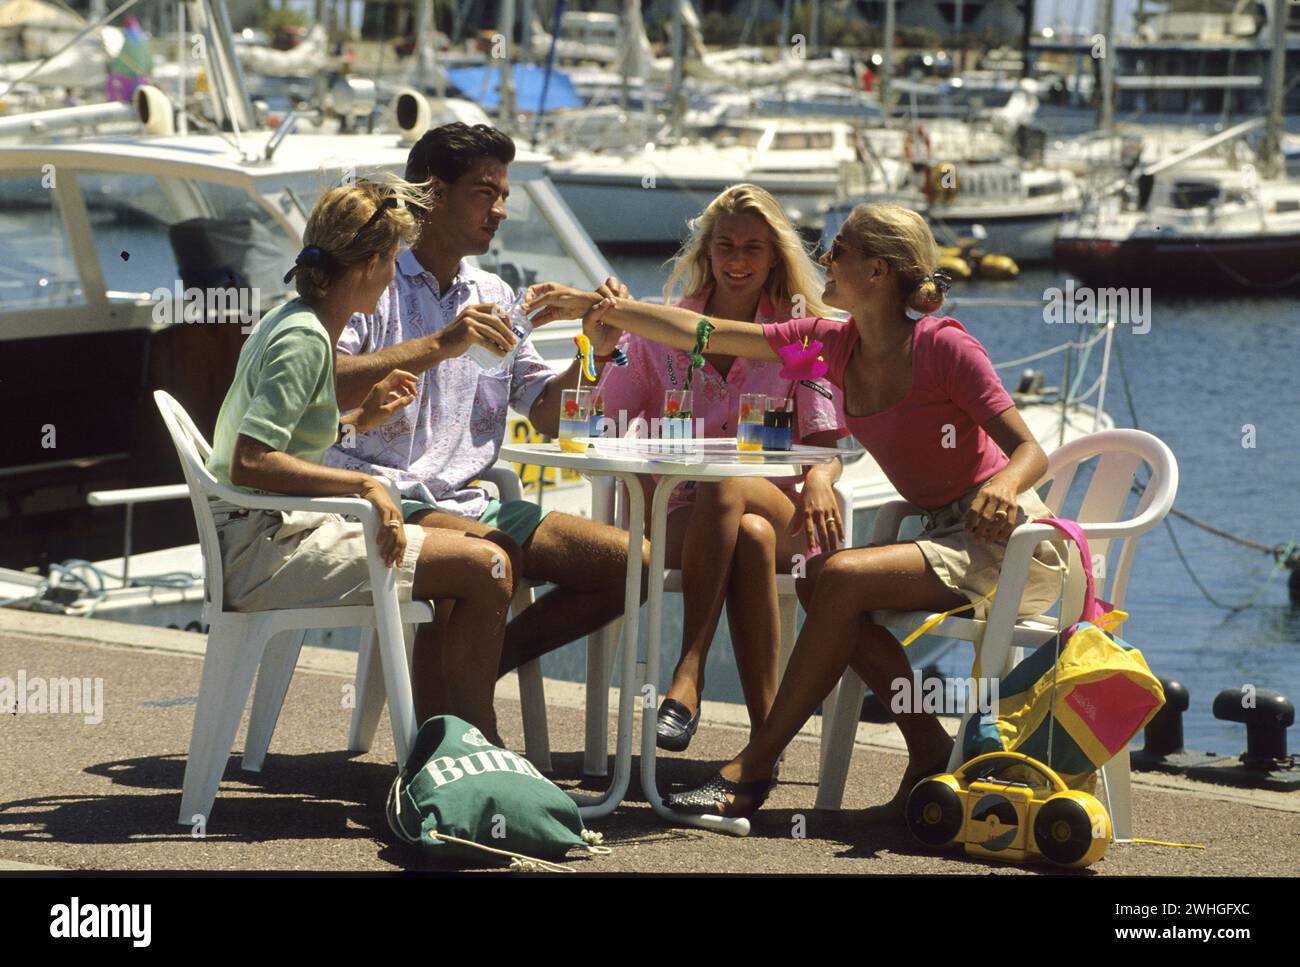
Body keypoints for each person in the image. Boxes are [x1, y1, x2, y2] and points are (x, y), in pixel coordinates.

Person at [527, 202, 1067, 820]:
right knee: (820, 582)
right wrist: (595, 310)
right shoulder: (830, 343)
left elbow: (1029, 450)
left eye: (839, 250)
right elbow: (709, 335)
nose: (824, 260)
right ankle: (927, 751)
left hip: (1008, 537)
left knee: (834, 576)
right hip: (939, 534)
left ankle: (753, 764)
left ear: (879, 272)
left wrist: (1002, 485)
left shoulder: (944, 347)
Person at [324, 123, 649, 681]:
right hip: (380, 498)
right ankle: (453, 721)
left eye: (504, 195)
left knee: (634, 565)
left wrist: (595, 352)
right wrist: (441, 344)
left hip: (472, 503)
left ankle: (478, 670)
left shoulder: (494, 295)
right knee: (488, 556)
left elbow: (547, 415)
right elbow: (325, 384)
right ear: (434, 192)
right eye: (484, 192)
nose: (500, 210)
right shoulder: (371, 279)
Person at [206, 178, 512, 739]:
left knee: (480, 558)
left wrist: (357, 422)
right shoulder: (305, 339)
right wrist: (365, 487)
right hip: (264, 553)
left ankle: (454, 740)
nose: (395, 273)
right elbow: (253, 461)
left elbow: (283, 444)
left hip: (270, 533)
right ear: (371, 264)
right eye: (394, 259)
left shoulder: (295, 319)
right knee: (485, 567)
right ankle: (473, 748)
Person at [594, 184, 847, 752]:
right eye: (725, 246)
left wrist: (823, 479)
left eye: (753, 249)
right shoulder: (661, 328)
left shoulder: (798, 336)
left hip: (783, 505)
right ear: (706, 252)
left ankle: (688, 673)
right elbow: (605, 420)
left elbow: (827, 441)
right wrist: (603, 347)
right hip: (681, 507)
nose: (736, 261)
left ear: (775, 256)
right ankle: (765, 742)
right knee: (746, 535)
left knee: (733, 489)